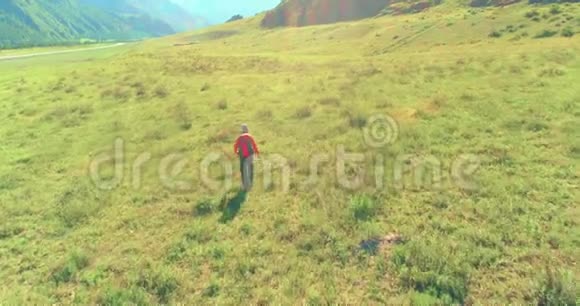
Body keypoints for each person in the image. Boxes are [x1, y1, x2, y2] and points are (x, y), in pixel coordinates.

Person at [234, 124, 260, 191]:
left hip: (242, 156)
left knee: (243, 170)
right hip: (250, 155)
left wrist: (236, 152)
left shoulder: (239, 137)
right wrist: (257, 153)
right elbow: (254, 145)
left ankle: (244, 185)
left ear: (241, 131)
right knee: (251, 169)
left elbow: (235, 146)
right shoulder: (249, 136)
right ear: (247, 130)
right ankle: (250, 184)